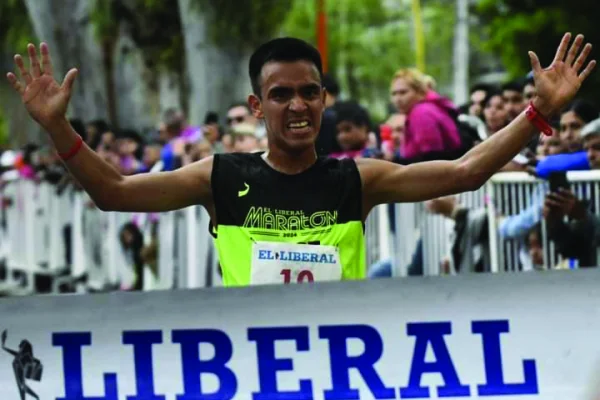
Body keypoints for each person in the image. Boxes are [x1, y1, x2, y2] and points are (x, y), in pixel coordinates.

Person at [5, 34, 596, 286]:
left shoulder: (356, 178)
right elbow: (114, 193)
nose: (297, 105)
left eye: (309, 92)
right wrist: (57, 127)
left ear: (323, 100)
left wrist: (537, 114)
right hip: (248, 362)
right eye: (281, 94)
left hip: (341, 363)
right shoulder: (220, 175)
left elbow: (466, 172)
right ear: (256, 106)